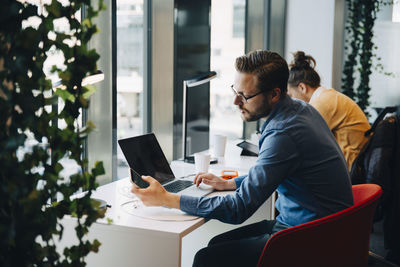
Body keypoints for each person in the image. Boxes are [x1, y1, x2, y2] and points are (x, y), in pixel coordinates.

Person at [131, 50, 353, 267]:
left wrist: (168, 199)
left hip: (312, 237)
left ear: (275, 94)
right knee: (216, 243)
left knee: (207, 258)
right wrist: (230, 183)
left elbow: (239, 209)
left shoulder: (284, 133)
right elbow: (270, 173)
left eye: (244, 96)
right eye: (235, 92)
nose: (236, 102)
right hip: (319, 224)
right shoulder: (300, 109)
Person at [287, 51, 371, 171]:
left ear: (302, 87)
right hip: (353, 162)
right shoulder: (328, 96)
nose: (290, 100)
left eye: (290, 95)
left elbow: (299, 141)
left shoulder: (321, 103)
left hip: (350, 167)